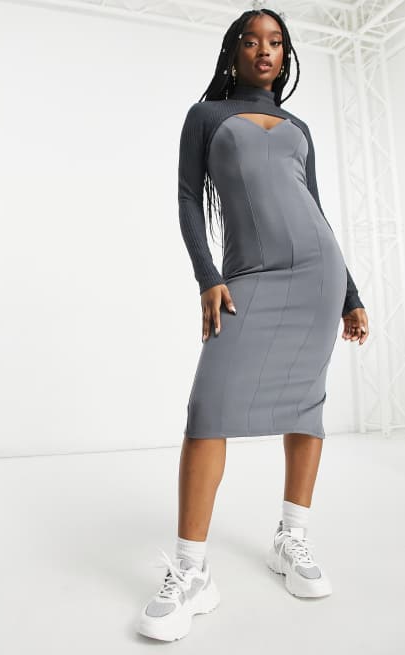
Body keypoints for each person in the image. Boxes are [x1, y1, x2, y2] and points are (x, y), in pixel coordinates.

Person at [137, 7, 370, 642]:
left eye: (275, 42)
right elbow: (187, 198)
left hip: (318, 275)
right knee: (208, 408)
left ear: (285, 55)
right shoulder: (206, 116)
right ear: (233, 52)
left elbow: (314, 206)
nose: (263, 50)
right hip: (248, 278)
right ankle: (192, 572)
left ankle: (291, 538)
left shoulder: (299, 128)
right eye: (250, 41)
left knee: (307, 405)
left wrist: (349, 293)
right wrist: (207, 276)